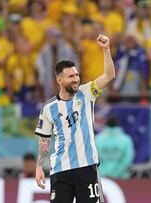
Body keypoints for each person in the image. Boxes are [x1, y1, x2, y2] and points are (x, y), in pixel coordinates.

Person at [35, 34, 115, 203]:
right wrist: (39, 166)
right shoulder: (49, 109)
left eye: (77, 75)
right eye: (71, 76)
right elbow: (44, 141)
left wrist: (106, 50)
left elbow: (109, 76)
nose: (76, 79)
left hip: (86, 168)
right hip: (60, 170)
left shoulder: (87, 93)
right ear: (59, 80)